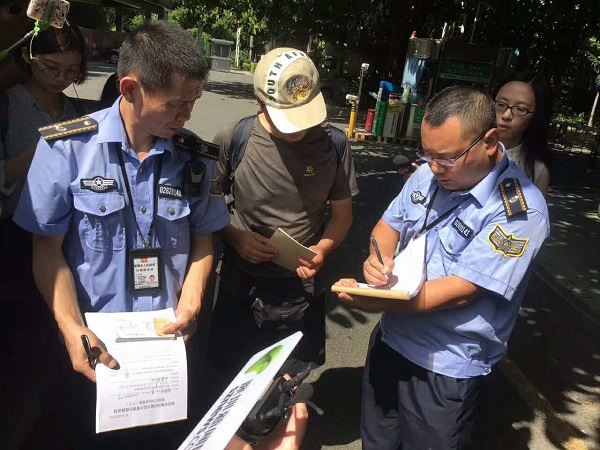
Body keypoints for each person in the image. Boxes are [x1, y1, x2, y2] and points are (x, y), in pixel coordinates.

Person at [13, 20, 229, 448]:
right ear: (130, 89)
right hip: (92, 349)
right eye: (174, 105)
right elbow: (47, 252)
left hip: (166, 352)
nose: (186, 116)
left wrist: (192, 297)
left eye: (193, 102)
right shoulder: (66, 149)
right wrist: (72, 327)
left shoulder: (195, 158)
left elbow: (205, 238)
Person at [334, 85, 549, 449]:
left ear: (490, 140)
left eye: (446, 158)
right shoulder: (429, 174)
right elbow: (388, 225)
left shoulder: (520, 210)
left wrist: (374, 300)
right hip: (390, 342)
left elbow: (462, 291)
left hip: (444, 366)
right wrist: (377, 258)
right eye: (427, 154)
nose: (434, 167)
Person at [208, 47, 358, 447]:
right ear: (260, 102)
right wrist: (235, 237)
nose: (296, 130)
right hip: (241, 286)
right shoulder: (234, 138)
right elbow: (208, 204)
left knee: (288, 392)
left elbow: (342, 215)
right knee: (233, 389)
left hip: (299, 290)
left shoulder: (335, 145)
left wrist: (322, 248)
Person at [493, 71, 553, 197]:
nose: (506, 115)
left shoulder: (537, 171)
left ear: (536, 116)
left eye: (520, 109)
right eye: (501, 104)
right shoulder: (465, 147)